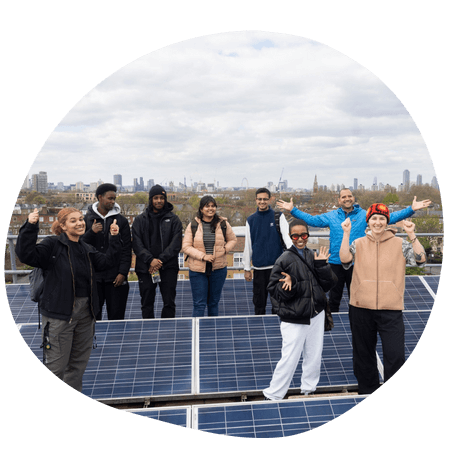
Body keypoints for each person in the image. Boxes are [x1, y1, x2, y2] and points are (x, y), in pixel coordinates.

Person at [15, 207, 122, 392]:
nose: (80, 223)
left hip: (85, 314)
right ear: (63, 225)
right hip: (59, 315)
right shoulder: (52, 245)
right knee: (55, 367)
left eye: (81, 219)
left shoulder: (85, 247)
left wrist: (114, 239)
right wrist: (30, 226)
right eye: (73, 221)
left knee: (77, 367)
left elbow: (106, 263)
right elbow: (26, 255)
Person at [277, 191, 431, 312]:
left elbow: (388, 217)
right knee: (334, 297)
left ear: (353, 198)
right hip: (335, 262)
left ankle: (356, 321)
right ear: (339, 200)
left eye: (349, 196)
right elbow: (312, 221)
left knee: (357, 296)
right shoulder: (331, 216)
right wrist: (293, 210)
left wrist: (411, 209)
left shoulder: (364, 215)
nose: (347, 198)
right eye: (343, 196)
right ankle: (335, 324)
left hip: (358, 263)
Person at [340, 203, 426, 394]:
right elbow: (344, 259)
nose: (377, 222)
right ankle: (366, 390)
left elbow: (421, 259)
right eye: (374, 218)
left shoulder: (400, 244)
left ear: (386, 222)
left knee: (395, 355)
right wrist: (346, 233)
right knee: (363, 355)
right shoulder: (359, 242)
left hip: (391, 309)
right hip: (361, 307)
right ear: (368, 222)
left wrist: (411, 234)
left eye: (381, 218)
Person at [263, 219, 337, 400]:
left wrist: (322, 266)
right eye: (295, 236)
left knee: (314, 354)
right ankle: (274, 394)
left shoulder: (313, 255)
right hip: (295, 317)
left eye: (303, 235)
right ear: (290, 237)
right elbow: (274, 291)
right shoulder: (284, 259)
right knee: (290, 357)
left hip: (316, 313)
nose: (300, 239)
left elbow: (328, 285)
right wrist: (291, 285)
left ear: (308, 235)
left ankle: (309, 388)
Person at [132, 185, 183, 319]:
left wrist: (159, 261)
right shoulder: (139, 220)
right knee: (147, 302)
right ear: (151, 199)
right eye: (156, 198)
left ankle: (167, 330)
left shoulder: (174, 220)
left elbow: (176, 244)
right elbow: (136, 244)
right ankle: (149, 331)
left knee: (169, 302)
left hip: (168, 268)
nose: (159, 201)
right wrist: (150, 260)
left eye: (162, 198)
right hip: (145, 268)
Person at [82, 183, 132, 320]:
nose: (112, 201)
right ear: (100, 197)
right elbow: (80, 246)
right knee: (93, 318)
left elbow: (127, 249)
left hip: (115, 278)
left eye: (114, 198)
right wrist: (91, 232)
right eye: (110, 198)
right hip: (94, 279)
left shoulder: (121, 221)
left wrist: (122, 272)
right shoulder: (87, 219)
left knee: (116, 318)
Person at [182, 195, 237, 317]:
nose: (210, 209)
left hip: (218, 269)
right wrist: (203, 256)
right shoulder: (193, 225)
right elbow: (185, 246)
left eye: (213, 206)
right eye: (207, 206)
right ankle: (198, 333)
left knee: (213, 303)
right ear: (201, 209)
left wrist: (224, 250)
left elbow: (233, 240)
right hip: (197, 270)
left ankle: (212, 332)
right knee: (199, 303)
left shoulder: (223, 224)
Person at [243, 188, 292, 315]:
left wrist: (293, 262)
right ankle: (259, 330)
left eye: (265, 199)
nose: (262, 201)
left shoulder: (278, 217)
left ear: (269, 200)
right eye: (259, 199)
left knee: (278, 303)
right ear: (256, 200)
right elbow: (248, 245)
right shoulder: (250, 220)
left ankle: (277, 331)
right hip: (259, 269)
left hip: (277, 268)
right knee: (259, 303)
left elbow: (288, 240)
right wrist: (247, 268)